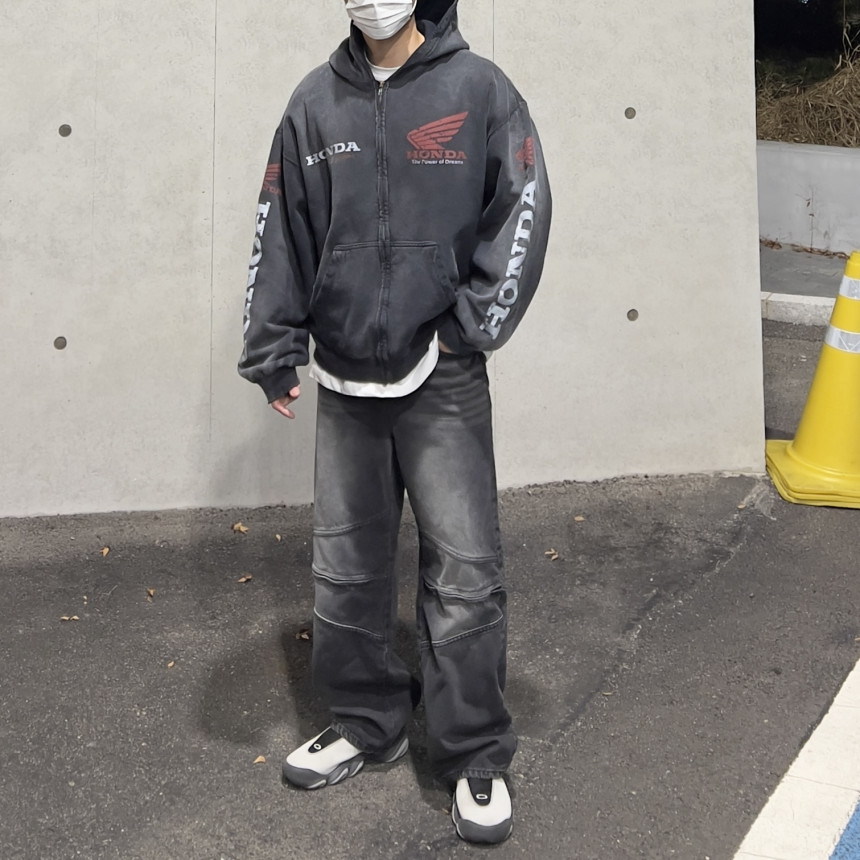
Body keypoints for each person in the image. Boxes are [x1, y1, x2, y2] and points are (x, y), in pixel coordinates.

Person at [238, 0, 550, 844]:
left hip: (441, 377)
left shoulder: (479, 90)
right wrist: (273, 345)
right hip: (345, 378)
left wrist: (468, 330)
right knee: (345, 569)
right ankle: (365, 721)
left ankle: (474, 751)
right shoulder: (314, 102)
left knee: (465, 572)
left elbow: (522, 210)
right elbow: (281, 228)